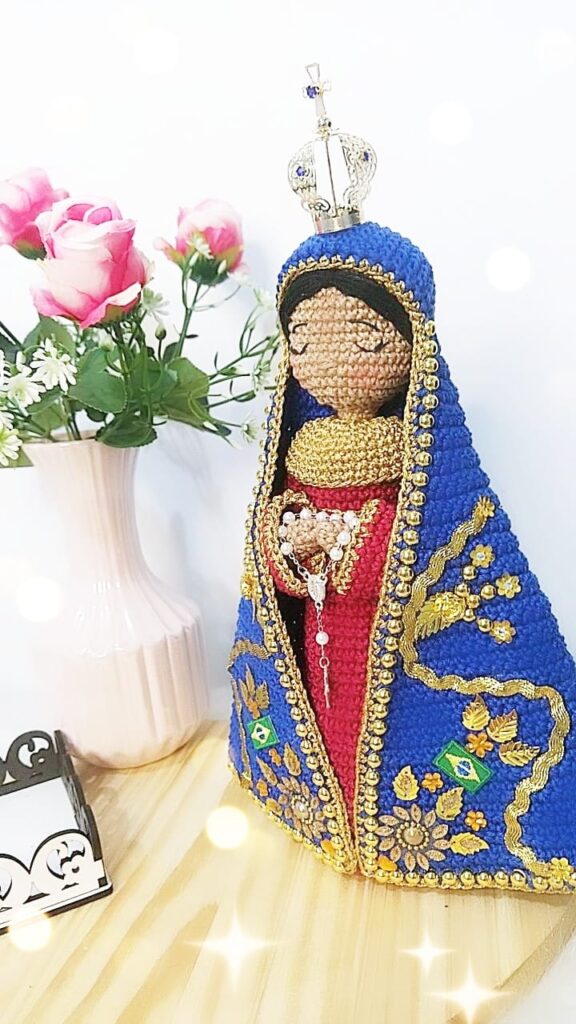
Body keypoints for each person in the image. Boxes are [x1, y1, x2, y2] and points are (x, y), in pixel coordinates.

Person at [227, 67, 576, 892]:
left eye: (363, 339)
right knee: (327, 731)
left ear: (410, 343)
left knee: (403, 744)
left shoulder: (425, 465)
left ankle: (396, 830)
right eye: (302, 340)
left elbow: (443, 554)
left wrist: (351, 545)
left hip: (394, 653)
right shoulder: (299, 456)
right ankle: (335, 815)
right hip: (320, 644)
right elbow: (271, 568)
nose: (328, 361)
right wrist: (288, 545)